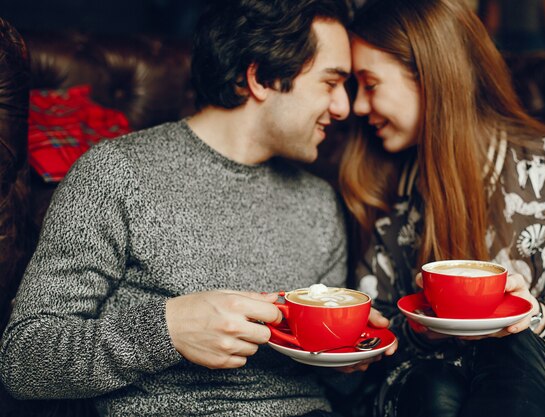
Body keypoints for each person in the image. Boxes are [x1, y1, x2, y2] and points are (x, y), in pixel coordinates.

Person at [0, 1, 394, 416]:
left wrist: (351, 353)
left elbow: (326, 375)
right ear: (260, 77)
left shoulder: (319, 201)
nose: (344, 108)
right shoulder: (115, 173)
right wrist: (167, 330)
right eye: (330, 83)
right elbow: (24, 360)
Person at [339, 0, 545, 416]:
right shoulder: (380, 180)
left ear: (432, 77)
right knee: (436, 386)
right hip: (421, 377)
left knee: (512, 350)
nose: (357, 106)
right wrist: (422, 327)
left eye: (370, 84)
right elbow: (371, 329)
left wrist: (530, 315)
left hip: (536, 371)